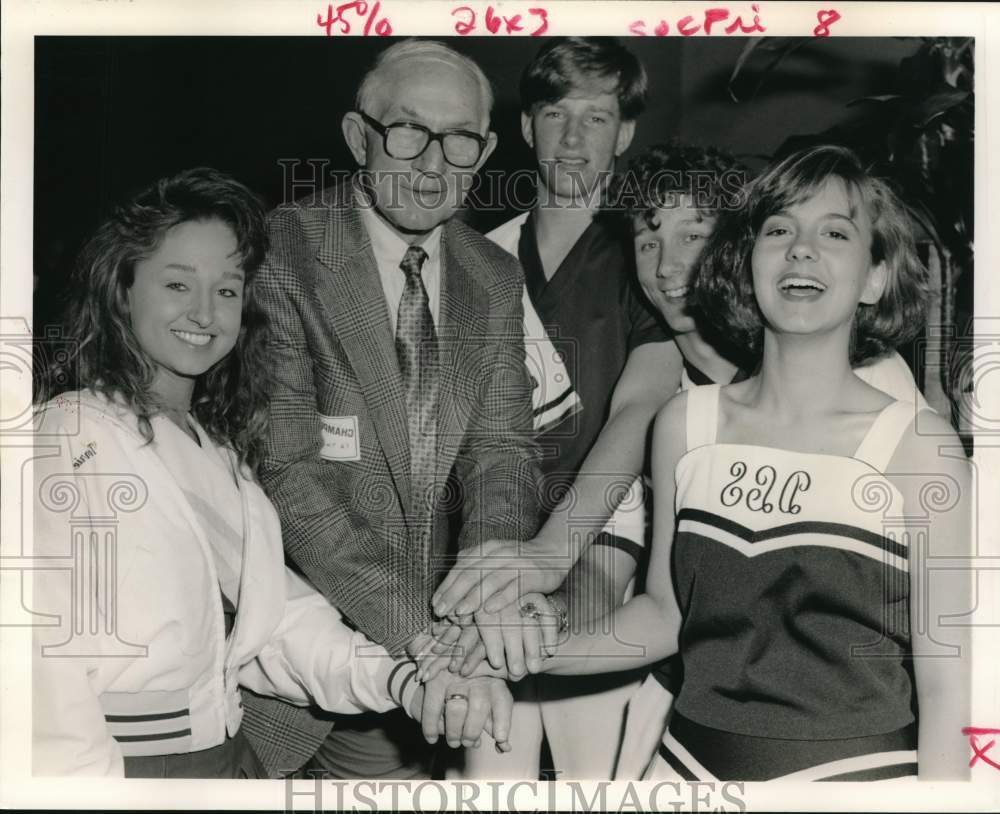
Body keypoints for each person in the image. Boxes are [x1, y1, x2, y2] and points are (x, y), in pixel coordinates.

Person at [454, 144, 972, 781]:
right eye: (779, 229)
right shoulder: (684, 425)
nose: (801, 248)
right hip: (683, 768)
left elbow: (949, 685)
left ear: (874, 277)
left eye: (835, 232)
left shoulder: (922, 449)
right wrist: (531, 650)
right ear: (745, 259)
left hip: (852, 777)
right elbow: (665, 618)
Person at [31, 167, 507, 777]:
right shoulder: (70, 436)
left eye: (227, 290)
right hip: (130, 771)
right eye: (178, 284)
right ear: (121, 290)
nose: (204, 312)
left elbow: (278, 622)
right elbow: (42, 660)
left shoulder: (217, 452)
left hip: (228, 759)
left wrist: (409, 680)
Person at [239, 39, 541, 779]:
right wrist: (418, 635)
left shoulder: (494, 274)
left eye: (460, 139)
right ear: (357, 136)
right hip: (299, 652)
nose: (433, 164)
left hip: (435, 669)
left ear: (486, 149)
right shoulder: (280, 251)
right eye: (408, 131)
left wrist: (484, 586)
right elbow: (288, 474)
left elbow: (502, 449)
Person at [431, 37, 682, 780]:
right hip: (489, 528)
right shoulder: (476, 258)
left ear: (625, 132)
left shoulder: (648, 260)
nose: (573, 138)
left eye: (597, 118)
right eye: (555, 114)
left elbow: (638, 414)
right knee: (487, 764)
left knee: (590, 766)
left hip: (606, 530)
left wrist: (549, 558)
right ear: (526, 127)